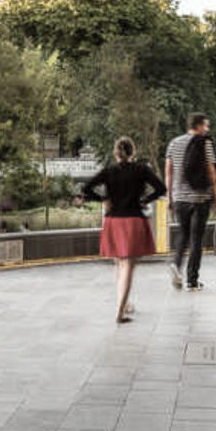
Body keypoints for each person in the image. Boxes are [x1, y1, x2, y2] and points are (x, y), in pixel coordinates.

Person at [81, 137, 168, 323]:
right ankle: (120, 311)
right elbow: (161, 188)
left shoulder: (109, 171)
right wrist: (144, 200)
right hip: (133, 221)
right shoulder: (141, 170)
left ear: (116, 153)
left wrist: (103, 199)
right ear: (132, 152)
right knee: (128, 265)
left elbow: (86, 188)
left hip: (113, 221)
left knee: (120, 264)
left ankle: (125, 303)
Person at [164, 113, 216, 291]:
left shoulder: (174, 144)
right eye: (206, 126)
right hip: (200, 198)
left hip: (180, 198)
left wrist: (169, 197)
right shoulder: (204, 142)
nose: (207, 129)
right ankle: (192, 281)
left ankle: (176, 264)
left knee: (183, 234)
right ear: (198, 126)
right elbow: (211, 171)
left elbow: (168, 173)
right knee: (196, 239)